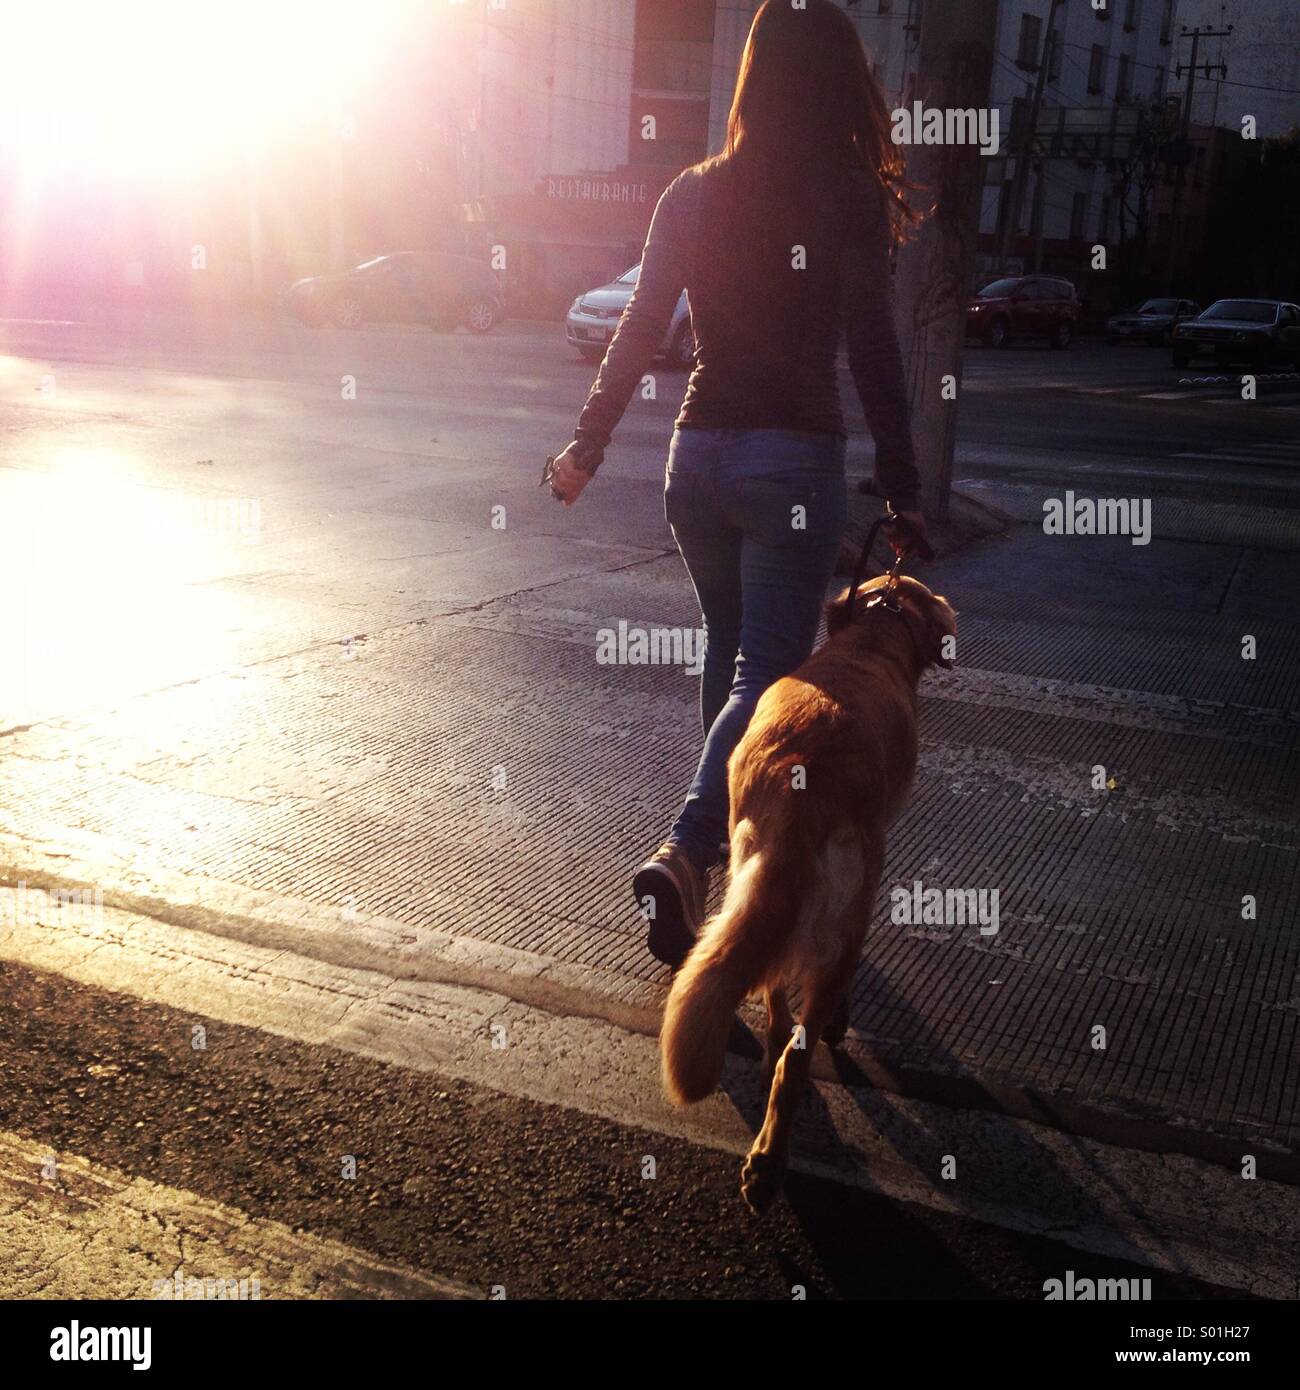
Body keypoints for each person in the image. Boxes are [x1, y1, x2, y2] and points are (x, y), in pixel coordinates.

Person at [545, 0, 927, 969]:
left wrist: (586, 448)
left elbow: (639, 331)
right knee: (764, 674)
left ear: (752, 77)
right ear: (839, 82)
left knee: (731, 663)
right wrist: (902, 476)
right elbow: (877, 347)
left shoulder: (692, 192)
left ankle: (716, 876)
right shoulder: (844, 197)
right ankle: (686, 848)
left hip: (698, 464)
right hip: (787, 465)